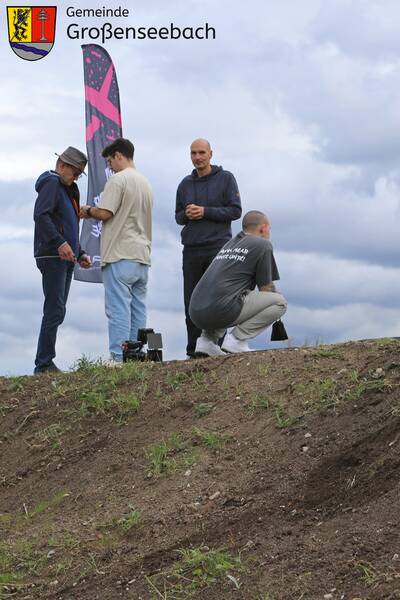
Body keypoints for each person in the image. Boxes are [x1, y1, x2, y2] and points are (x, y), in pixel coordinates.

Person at [80, 138, 153, 363]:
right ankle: (136, 352)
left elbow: (106, 213)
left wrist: (88, 210)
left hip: (119, 253)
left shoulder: (118, 180)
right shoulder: (145, 182)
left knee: (118, 308)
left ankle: (119, 356)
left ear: (118, 155)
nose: (109, 166)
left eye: (110, 160)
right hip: (142, 254)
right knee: (138, 308)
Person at [175, 138, 242, 358]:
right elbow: (178, 217)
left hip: (217, 247)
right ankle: (193, 349)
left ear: (211, 154)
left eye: (201, 152)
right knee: (191, 302)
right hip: (192, 249)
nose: (197, 157)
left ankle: (216, 347)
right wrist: (188, 214)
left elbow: (235, 211)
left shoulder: (226, 179)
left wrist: (205, 212)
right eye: (193, 153)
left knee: (216, 300)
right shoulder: (185, 184)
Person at [189, 210, 287, 356]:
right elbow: (266, 288)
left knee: (229, 293)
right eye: (269, 229)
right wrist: (275, 294)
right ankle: (237, 339)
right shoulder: (263, 244)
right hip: (221, 310)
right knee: (279, 302)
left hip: (195, 311)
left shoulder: (229, 244)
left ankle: (206, 341)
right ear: (264, 227)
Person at [34, 146, 91, 374]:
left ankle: (45, 361)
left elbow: (69, 227)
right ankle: (44, 363)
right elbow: (41, 215)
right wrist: (59, 243)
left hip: (64, 255)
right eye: (75, 172)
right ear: (62, 166)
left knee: (58, 309)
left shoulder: (69, 190)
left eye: (79, 174)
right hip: (52, 254)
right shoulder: (52, 182)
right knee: (54, 309)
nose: (76, 177)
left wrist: (80, 252)